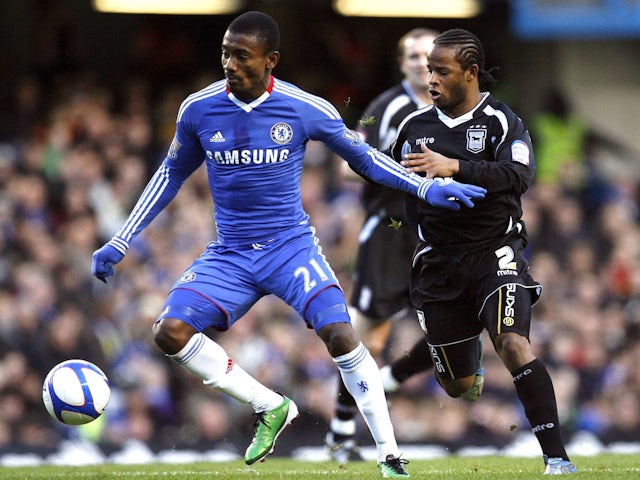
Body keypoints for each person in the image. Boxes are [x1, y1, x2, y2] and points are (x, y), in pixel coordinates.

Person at [91, 12, 486, 478]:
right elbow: (170, 174)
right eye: (225, 53)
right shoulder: (198, 109)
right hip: (231, 254)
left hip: (290, 248)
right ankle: (271, 406)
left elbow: (364, 159)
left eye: (241, 56)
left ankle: (389, 454)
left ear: (270, 60)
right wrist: (121, 238)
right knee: (168, 331)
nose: (229, 64)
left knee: (340, 334)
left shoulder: (305, 107)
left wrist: (423, 188)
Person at [390, 28, 577, 475]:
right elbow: (392, 179)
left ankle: (557, 458)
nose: (429, 78)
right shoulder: (413, 127)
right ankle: (462, 354)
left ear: (470, 73)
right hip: (438, 263)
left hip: (496, 253)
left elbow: (519, 174)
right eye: (428, 69)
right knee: (455, 386)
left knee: (513, 344)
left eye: (441, 71)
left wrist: (455, 167)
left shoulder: (500, 120)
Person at [326, 27, 484, 463]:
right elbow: (346, 165)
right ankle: (341, 431)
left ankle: (390, 381)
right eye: (413, 56)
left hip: (443, 232)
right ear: (402, 64)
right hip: (392, 231)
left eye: (429, 56)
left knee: (460, 322)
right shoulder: (385, 108)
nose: (422, 63)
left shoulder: (464, 110)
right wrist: (403, 169)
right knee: (367, 338)